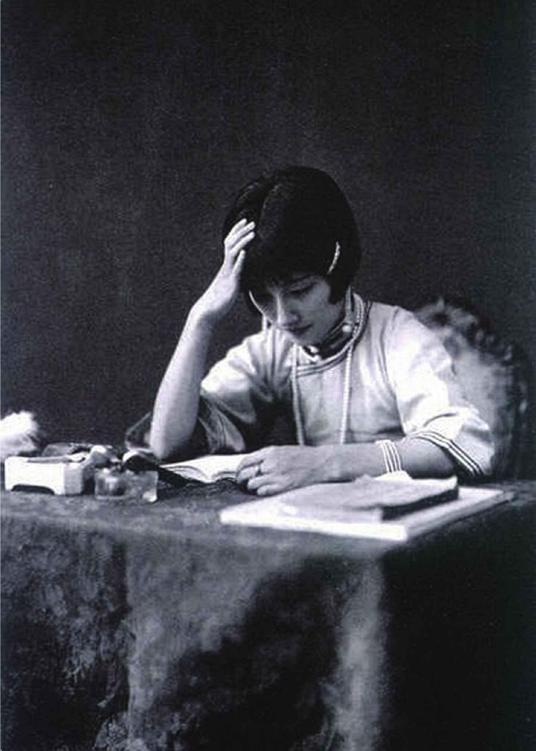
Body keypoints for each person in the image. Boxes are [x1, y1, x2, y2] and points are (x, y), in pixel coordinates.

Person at [150, 166, 494, 495]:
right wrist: (200, 319)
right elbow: (167, 443)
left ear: (337, 269)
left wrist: (328, 462)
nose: (283, 317)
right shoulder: (272, 351)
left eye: (300, 290)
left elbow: (466, 444)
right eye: (263, 297)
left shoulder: (397, 335)